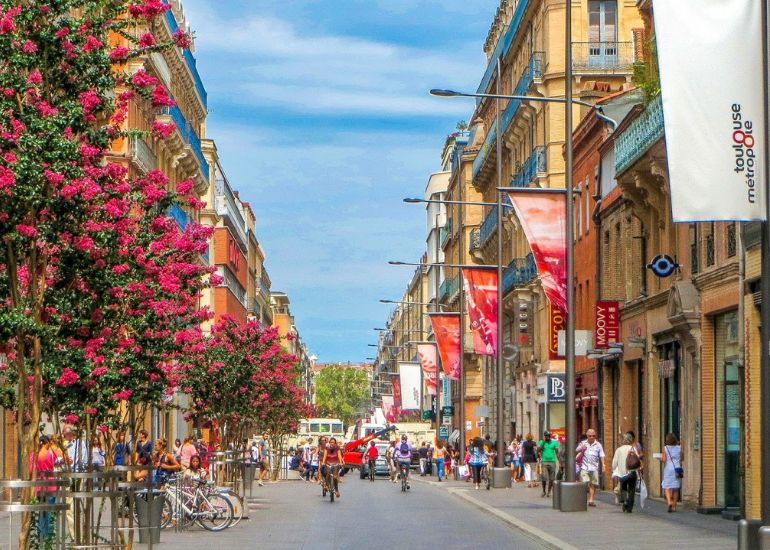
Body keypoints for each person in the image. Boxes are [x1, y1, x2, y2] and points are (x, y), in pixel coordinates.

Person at [33, 435, 59, 541]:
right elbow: (57, 462)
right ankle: (48, 535)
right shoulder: (50, 454)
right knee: (50, 511)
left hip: (39, 486)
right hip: (51, 486)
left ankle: (40, 533)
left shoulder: (35, 455)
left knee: (41, 511)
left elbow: (31, 469)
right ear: (47, 443)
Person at [612, 432, 641, 513]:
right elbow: (637, 460)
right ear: (631, 440)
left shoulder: (619, 450)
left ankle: (625, 502)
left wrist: (614, 470)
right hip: (632, 472)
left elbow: (614, 463)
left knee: (623, 488)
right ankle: (629, 507)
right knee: (631, 490)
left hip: (622, 473)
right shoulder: (633, 449)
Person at [576, 429, 605, 507]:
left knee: (593, 484)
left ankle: (591, 500)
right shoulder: (583, 443)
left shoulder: (598, 445)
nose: (592, 437)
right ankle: (582, 498)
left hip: (594, 467)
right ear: (587, 435)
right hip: (584, 467)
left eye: (593, 436)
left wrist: (603, 465)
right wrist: (582, 448)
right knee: (585, 483)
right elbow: (576, 451)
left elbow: (601, 455)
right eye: (590, 436)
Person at [661, 433, 683, 512]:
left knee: (667, 487)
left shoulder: (665, 448)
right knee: (676, 488)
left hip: (668, 469)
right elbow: (682, 458)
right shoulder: (679, 448)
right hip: (677, 469)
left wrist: (659, 458)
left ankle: (669, 502)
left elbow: (664, 460)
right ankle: (674, 506)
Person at [538, 431, 559, 498]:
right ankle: (544, 490)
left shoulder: (554, 443)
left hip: (552, 462)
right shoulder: (541, 442)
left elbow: (557, 452)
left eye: (549, 436)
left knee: (552, 478)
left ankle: (549, 491)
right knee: (544, 477)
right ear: (544, 436)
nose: (548, 437)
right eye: (546, 436)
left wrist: (560, 462)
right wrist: (543, 443)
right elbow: (538, 450)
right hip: (544, 461)